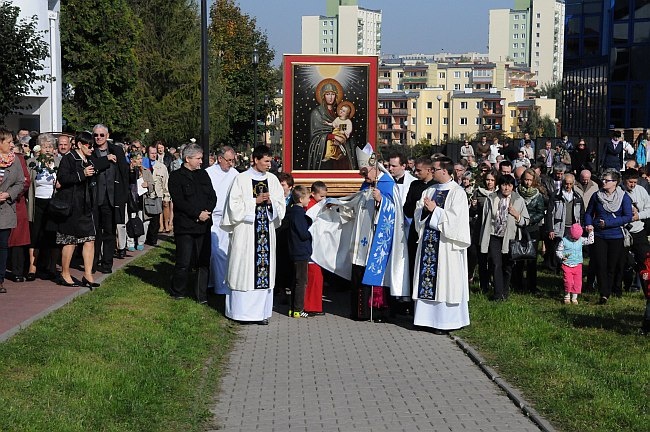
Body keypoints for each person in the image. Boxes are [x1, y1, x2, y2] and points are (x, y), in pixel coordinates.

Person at [309, 156, 409, 322]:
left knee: (374, 274)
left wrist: (381, 201)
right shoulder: (366, 185)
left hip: (376, 240)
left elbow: (395, 212)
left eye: (365, 173)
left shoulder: (388, 185)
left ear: (375, 168)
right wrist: (337, 206)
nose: (363, 177)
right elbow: (356, 207)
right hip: (360, 239)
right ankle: (358, 312)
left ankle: (377, 312)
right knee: (357, 273)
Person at [221, 145, 286, 324]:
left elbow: (281, 205)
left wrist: (272, 203)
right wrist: (254, 201)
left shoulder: (272, 180)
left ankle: (261, 314)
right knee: (244, 269)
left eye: (270, 160)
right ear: (256, 160)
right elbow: (233, 206)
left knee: (263, 271)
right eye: (265, 161)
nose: (269, 164)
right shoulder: (241, 179)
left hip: (265, 232)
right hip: (246, 232)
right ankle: (240, 313)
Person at [412, 156, 471, 333]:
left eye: (434, 169)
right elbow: (418, 215)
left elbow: (456, 221)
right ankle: (425, 319)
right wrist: (423, 210)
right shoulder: (429, 191)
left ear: (445, 171)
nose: (431, 172)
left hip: (446, 248)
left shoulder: (457, 193)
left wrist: (435, 211)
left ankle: (445, 322)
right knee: (427, 279)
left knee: (445, 282)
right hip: (429, 245)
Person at [168, 143, 216, 303]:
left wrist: (206, 212)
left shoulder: (203, 175)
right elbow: (180, 201)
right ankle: (178, 291)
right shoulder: (176, 176)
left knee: (203, 261)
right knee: (184, 261)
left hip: (204, 225)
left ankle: (201, 295)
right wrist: (197, 214)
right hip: (186, 226)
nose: (201, 161)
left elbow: (212, 196)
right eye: (198, 158)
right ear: (187, 158)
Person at [56, 131, 100, 289]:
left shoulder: (89, 159)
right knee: (70, 241)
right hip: (72, 206)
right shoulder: (69, 158)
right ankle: (65, 273)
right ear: (80, 145)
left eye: (93, 146)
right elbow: (63, 178)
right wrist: (82, 174)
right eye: (89, 145)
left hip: (86, 206)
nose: (92, 148)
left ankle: (88, 275)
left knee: (90, 239)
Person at [585, 168, 633, 304]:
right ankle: (604, 293)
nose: (604, 182)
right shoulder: (597, 196)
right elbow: (588, 213)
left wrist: (608, 223)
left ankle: (609, 289)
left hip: (616, 235)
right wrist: (589, 224)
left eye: (607, 180)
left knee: (612, 266)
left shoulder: (624, 197)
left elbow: (627, 217)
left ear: (615, 182)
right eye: (603, 179)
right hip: (599, 235)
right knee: (600, 264)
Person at [479, 174, 530, 301]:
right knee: (496, 264)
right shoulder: (491, 198)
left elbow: (526, 220)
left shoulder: (518, 200)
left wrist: (516, 215)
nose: (506, 188)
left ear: (513, 187)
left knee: (507, 266)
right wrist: (483, 238)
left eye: (509, 185)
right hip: (494, 235)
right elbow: (484, 219)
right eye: (503, 185)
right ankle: (497, 294)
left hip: (510, 238)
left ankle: (505, 292)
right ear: (499, 185)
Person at [90, 124, 129, 274]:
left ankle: (107, 263)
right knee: (94, 233)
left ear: (107, 136)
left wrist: (123, 196)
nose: (98, 138)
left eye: (101, 135)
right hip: (95, 197)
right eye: (96, 135)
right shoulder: (91, 151)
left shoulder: (116, 150)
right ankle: (92, 264)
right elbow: (90, 166)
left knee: (109, 232)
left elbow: (123, 173)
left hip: (111, 198)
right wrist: (105, 160)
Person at [205, 146, 239, 295]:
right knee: (214, 252)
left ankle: (222, 286)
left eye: (233, 160)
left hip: (228, 219)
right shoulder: (209, 173)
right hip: (213, 218)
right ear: (220, 159)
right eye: (228, 160)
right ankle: (214, 283)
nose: (231, 163)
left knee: (224, 252)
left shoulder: (235, 174)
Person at [26, 133, 60, 280]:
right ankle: (32, 267)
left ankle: (52, 266)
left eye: (50, 146)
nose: (48, 149)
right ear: (39, 148)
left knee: (52, 235)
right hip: (37, 202)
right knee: (36, 234)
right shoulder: (33, 162)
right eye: (45, 146)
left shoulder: (58, 162)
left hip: (53, 202)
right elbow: (27, 181)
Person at [512, 169, 547, 294]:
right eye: (526, 179)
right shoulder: (516, 192)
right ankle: (518, 284)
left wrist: (529, 220)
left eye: (530, 180)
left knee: (532, 258)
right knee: (518, 256)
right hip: (518, 228)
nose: (527, 182)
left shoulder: (538, 195)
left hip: (532, 228)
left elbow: (540, 212)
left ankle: (532, 285)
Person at [0, 129, 26, 293]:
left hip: (5, 210)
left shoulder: (14, 160)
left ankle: (0, 279)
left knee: (2, 246)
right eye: (8, 142)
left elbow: (20, 182)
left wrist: (9, 194)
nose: (12, 145)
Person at [308, 80, 355, 170]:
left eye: (332, 94)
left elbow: (344, 128)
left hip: (341, 156)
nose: (330, 97)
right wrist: (334, 136)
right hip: (324, 152)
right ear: (323, 96)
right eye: (327, 94)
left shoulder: (339, 112)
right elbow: (316, 135)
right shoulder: (317, 113)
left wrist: (343, 136)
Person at [545, 173, 585, 273]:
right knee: (557, 248)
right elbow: (549, 213)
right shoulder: (556, 196)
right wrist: (551, 229)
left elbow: (581, 213)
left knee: (570, 249)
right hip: (559, 226)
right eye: (566, 183)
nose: (568, 186)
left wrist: (581, 228)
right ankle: (554, 268)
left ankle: (567, 267)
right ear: (563, 183)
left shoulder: (577, 196)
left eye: (570, 184)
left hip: (572, 227)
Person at [620, 169, 650, 292]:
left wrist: (639, 215)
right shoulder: (618, 191)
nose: (632, 184)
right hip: (622, 231)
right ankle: (623, 285)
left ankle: (642, 285)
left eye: (635, 182)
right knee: (624, 261)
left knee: (645, 259)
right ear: (624, 180)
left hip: (638, 229)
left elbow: (649, 209)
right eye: (630, 182)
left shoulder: (641, 191)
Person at [7, 132, 31, 282]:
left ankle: (17, 271)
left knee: (17, 240)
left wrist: (10, 194)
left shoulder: (19, 159)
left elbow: (25, 181)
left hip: (16, 203)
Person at [469, 167, 498, 292]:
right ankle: (483, 285)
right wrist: (474, 207)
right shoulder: (478, 192)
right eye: (487, 180)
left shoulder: (498, 193)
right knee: (481, 257)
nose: (489, 182)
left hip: (493, 228)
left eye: (492, 180)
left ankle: (493, 281)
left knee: (492, 258)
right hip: (480, 228)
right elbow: (471, 212)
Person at [286, 185, 312, 318]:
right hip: (300, 251)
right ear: (301, 199)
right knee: (301, 281)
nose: (309, 200)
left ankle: (292, 308)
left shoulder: (291, 212)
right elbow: (303, 233)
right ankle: (298, 309)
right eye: (308, 197)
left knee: (294, 280)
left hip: (293, 250)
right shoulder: (299, 214)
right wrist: (311, 233)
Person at [304, 181, 328, 316]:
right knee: (314, 277)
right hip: (312, 248)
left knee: (317, 278)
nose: (323, 199)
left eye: (325, 196)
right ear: (313, 194)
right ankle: (311, 306)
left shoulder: (317, 205)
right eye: (321, 197)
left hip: (318, 246)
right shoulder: (311, 207)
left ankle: (315, 305)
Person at [557, 223, 594, 304]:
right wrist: (561, 256)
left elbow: (590, 241)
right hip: (567, 264)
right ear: (569, 234)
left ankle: (574, 298)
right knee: (568, 281)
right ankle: (567, 296)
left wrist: (590, 232)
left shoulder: (580, 240)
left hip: (578, 265)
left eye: (576, 239)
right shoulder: (564, 241)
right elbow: (558, 251)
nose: (575, 240)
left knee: (577, 282)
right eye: (573, 238)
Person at [143, 144, 170, 246]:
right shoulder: (143, 165)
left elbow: (165, 182)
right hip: (145, 195)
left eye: (155, 153)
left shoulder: (162, 167)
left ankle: (152, 240)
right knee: (145, 219)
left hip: (157, 195)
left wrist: (166, 196)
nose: (154, 155)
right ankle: (143, 238)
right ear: (147, 153)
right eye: (152, 153)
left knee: (155, 220)